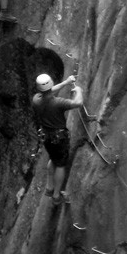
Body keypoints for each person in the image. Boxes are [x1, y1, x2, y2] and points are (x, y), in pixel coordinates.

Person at [32, 73, 83, 204]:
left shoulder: (36, 100)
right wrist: (79, 91)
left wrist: (66, 82)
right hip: (59, 139)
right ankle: (56, 196)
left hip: (46, 138)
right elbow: (78, 103)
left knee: (53, 159)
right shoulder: (58, 103)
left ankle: (49, 188)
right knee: (60, 165)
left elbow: (48, 92)